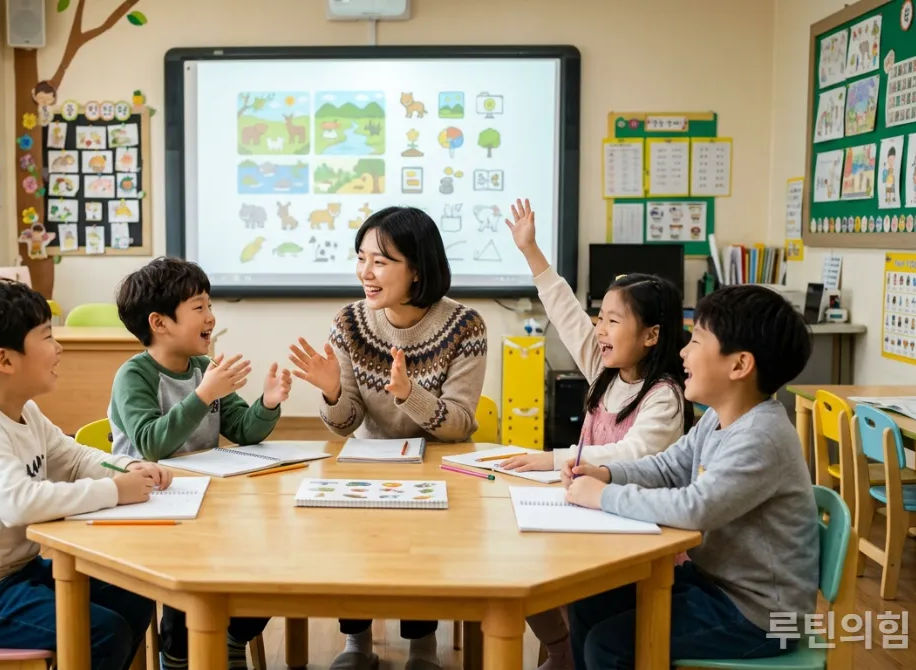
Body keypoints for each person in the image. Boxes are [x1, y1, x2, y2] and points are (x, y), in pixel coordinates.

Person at [561, 284, 817, 669]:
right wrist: (605, 472)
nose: (682, 351)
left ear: (739, 365)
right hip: (711, 584)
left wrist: (601, 496)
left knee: (609, 645)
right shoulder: (718, 417)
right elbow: (667, 468)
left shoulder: (761, 438)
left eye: (696, 340)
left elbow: (694, 507)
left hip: (757, 615)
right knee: (588, 599)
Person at [0, 279, 166, 670]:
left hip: (17, 572)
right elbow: (19, 503)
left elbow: (73, 456)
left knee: (133, 593)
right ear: (5, 361)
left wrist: (127, 467)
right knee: (104, 632)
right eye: (47, 336)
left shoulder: (24, 410)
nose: (59, 347)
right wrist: (114, 491)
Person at [497, 198, 693, 669]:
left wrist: (555, 457)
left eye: (612, 320)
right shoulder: (605, 368)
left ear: (650, 335)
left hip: (637, 531)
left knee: (565, 589)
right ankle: (562, 650)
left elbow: (635, 454)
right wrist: (531, 251)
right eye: (599, 316)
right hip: (593, 513)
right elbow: (564, 309)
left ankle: (570, 653)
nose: (597, 328)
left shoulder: (663, 395)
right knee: (522, 560)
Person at [289, 205, 487, 670]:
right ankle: (357, 644)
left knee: (421, 536)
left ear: (416, 268)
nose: (366, 272)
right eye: (361, 258)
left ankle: (423, 647)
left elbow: (460, 424)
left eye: (380, 261)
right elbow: (344, 424)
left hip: (438, 464)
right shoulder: (349, 322)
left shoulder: (465, 326)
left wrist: (409, 394)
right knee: (349, 528)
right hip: (368, 457)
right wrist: (334, 390)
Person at [110, 256, 286, 669]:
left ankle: (232, 638)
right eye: (199, 307)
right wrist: (203, 395)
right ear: (159, 322)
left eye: (209, 305)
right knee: (184, 570)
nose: (211, 316)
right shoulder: (134, 376)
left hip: (208, 501)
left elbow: (243, 428)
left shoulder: (205, 368)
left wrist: (269, 403)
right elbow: (152, 444)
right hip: (150, 506)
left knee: (266, 556)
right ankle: (179, 653)